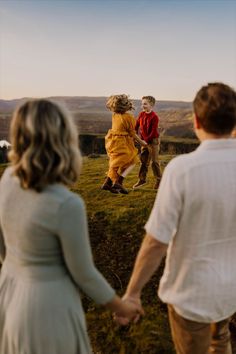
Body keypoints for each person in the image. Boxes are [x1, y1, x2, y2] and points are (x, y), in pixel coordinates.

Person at [0, 99, 143, 354]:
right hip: (49, 306)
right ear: (64, 138)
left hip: (9, 297)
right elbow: (84, 273)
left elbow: (4, 249)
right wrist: (122, 307)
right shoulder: (66, 204)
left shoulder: (8, 180)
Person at [118, 83, 236, 354]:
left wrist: (133, 293)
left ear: (195, 121)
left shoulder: (182, 170)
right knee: (220, 341)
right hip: (230, 292)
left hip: (191, 295)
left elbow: (156, 242)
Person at [101, 94, 147, 194]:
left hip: (112, 142)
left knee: (115, 163)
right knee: (133, 160)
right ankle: (119, 182)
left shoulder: (114, 115)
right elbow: (133, 133)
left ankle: (107, 183)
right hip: (123, 143)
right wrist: (142, 142)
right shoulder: (128, 117)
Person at [133, 96, 162, 190]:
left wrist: (145, 141)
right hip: (144, 141)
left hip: (153, 141)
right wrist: (134, 135)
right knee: (143, 161)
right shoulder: (141, 114)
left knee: (154, 162)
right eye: (142, 103)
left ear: (151, 105)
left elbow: (153, 131)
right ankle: (142, 180)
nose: (143, 105)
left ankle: (159, 180)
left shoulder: (154, 117)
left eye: (145, 104)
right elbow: (136, 125)